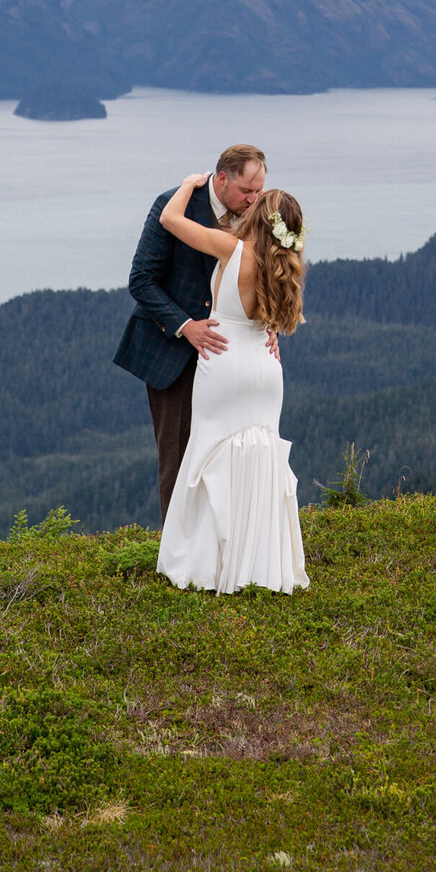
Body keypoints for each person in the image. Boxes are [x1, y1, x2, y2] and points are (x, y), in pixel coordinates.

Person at [155, 173, 309, 594]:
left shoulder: (234, 249)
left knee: (210, 454)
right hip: (266, 367)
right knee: (262, 460)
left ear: (260, 216)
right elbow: (272, 323)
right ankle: (260, 564)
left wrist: (188, 185)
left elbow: (170, 220)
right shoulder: (285, 266)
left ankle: (209, 564)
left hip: (224, 362)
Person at [113, 144, 269, 521]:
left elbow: (260, 278)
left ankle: (220, 540)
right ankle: (176, 552)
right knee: (180, 457)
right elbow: (141, 281)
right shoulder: (174, 204)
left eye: (259, 191)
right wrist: (186, 327)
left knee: (227, 452)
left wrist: (267, 324)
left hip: (229, 359)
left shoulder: (256, 214)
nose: (253, 200)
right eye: (246, 191)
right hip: (174, 354)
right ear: (221, 179)